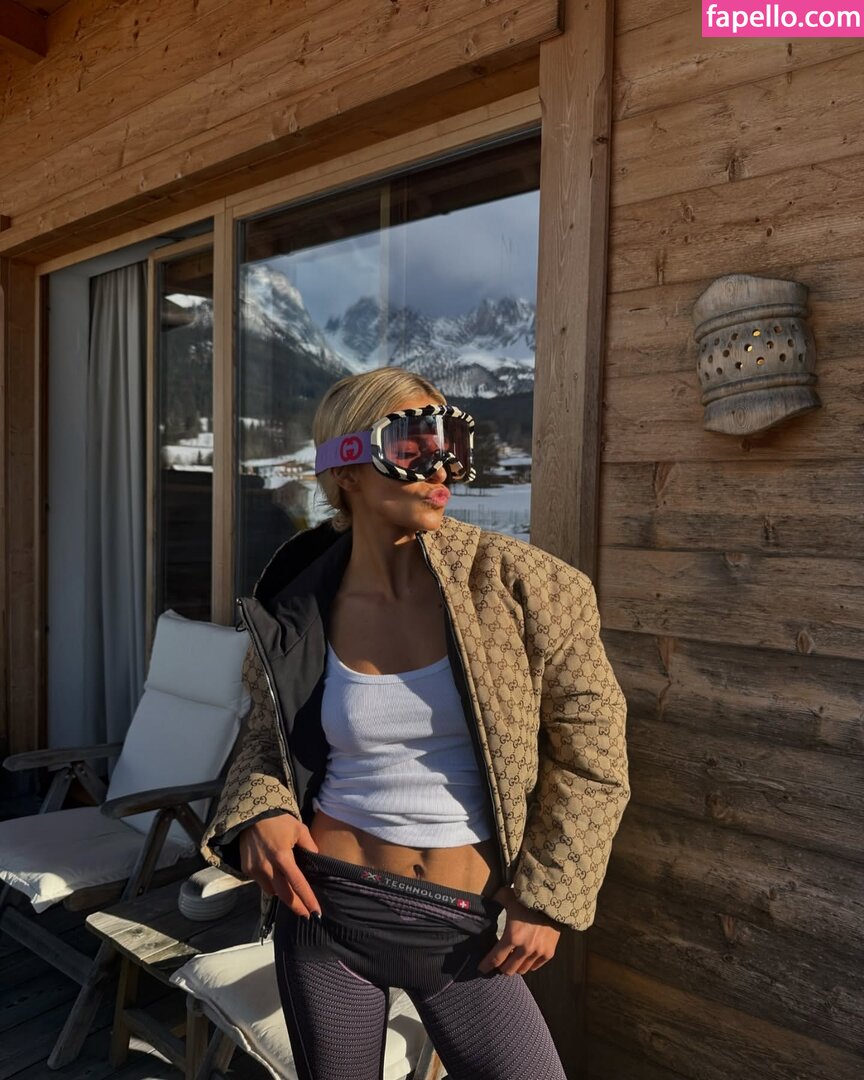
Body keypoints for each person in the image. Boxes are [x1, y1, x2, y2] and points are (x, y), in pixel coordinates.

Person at [202, 367, 629, 1080]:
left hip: (463, 930)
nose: (442, 467)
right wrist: (260, 811)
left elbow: (593, 758)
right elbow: (262, 739)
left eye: (452, 441)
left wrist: (548, 899)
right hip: (326, 908)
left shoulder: (531, 588)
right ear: (346, 467)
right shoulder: (295, 606)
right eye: (412, 443)